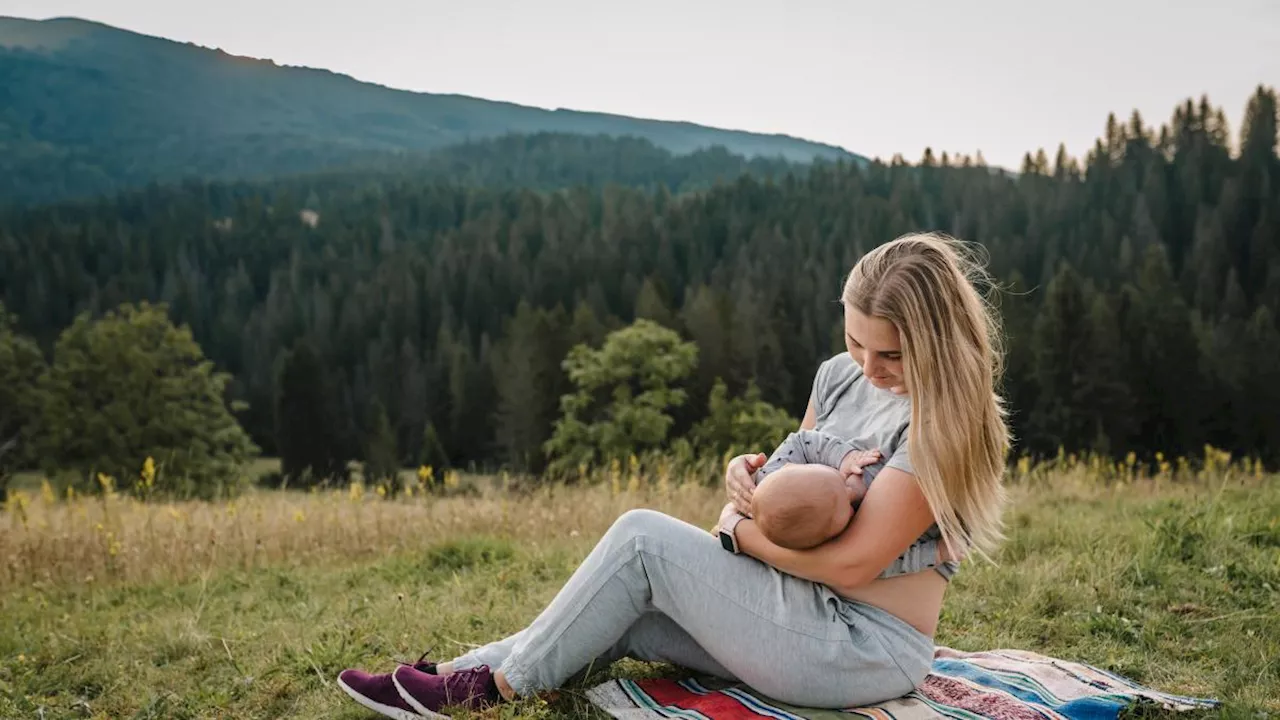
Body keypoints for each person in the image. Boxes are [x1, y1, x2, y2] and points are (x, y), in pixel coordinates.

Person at [337, 232, 1010, 719]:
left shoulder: (943, 423)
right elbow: (795, 476)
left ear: (935, 338)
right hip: (788, 608)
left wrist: (736, 537)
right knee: (625, 611)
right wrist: (744, 479)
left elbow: (854, 564)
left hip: (859, 648)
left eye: (889, 353)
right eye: (855, 341)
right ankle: (452, 680)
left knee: (641, 541)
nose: (867, 365)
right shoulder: (837, 377)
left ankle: (496, 692)